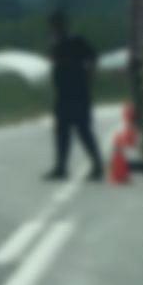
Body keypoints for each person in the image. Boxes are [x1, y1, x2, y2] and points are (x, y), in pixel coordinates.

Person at [44, 11, 103, 181]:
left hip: (78, 94)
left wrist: (88, 78)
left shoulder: (75, 41)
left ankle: (97, 165)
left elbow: (92, 57)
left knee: (83, 131)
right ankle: (61, 167)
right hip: (63, 95)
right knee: (62, 132)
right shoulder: (57, 44)